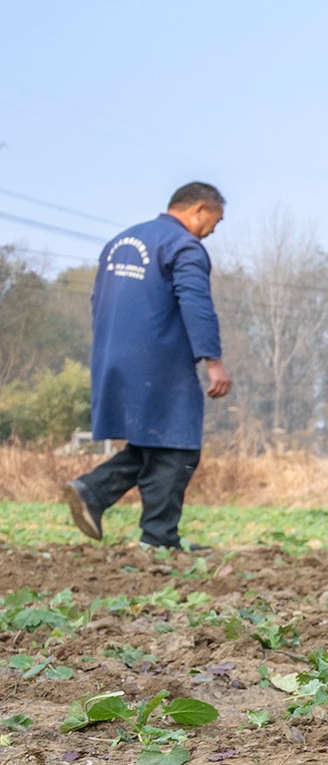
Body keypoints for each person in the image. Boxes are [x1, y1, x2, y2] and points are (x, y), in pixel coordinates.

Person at [69, 182, 232, 550]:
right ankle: (157, 537)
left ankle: (94, 493)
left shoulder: (121, 241)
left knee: (155, 440)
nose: (212, 231)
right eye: (215, 221)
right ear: (199, 209)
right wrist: (214, 361)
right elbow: (196, 304)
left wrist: (109, 348)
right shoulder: (183, 246)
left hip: (113, 353)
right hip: (159, 356)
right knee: (179, 444)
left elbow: (98, 300)